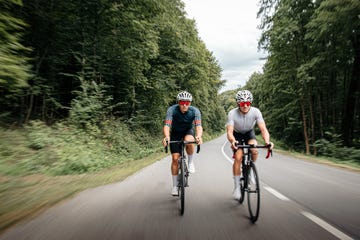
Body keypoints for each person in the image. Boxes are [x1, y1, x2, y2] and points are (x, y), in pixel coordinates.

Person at [226, 90, 274, 200]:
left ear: (250, 103)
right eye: (242, 104)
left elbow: (263, 129)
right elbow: (229, 131)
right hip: (236, 134)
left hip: (249, 132)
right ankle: (237, 187)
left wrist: (267, 141)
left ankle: (250, 169)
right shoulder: (232, 113)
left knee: (254, 149)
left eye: (248, 103)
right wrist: (233, 141)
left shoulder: (256, 112)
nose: (245, 106)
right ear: (238, 104)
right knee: (238, 157)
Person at [162, 91, 203, 196]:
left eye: (187, 103)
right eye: (182, 102)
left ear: (190, 103)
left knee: (189, 141)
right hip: (175, 133)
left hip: (188, 131)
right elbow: (167, 125)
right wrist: (167, 137)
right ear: (178, 102)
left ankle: (190, 162)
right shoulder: (172, 110)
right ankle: (175, 186)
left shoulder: (195, 111)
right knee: (175, 159)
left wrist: (199, 136)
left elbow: (198, 126)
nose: (184, 105)